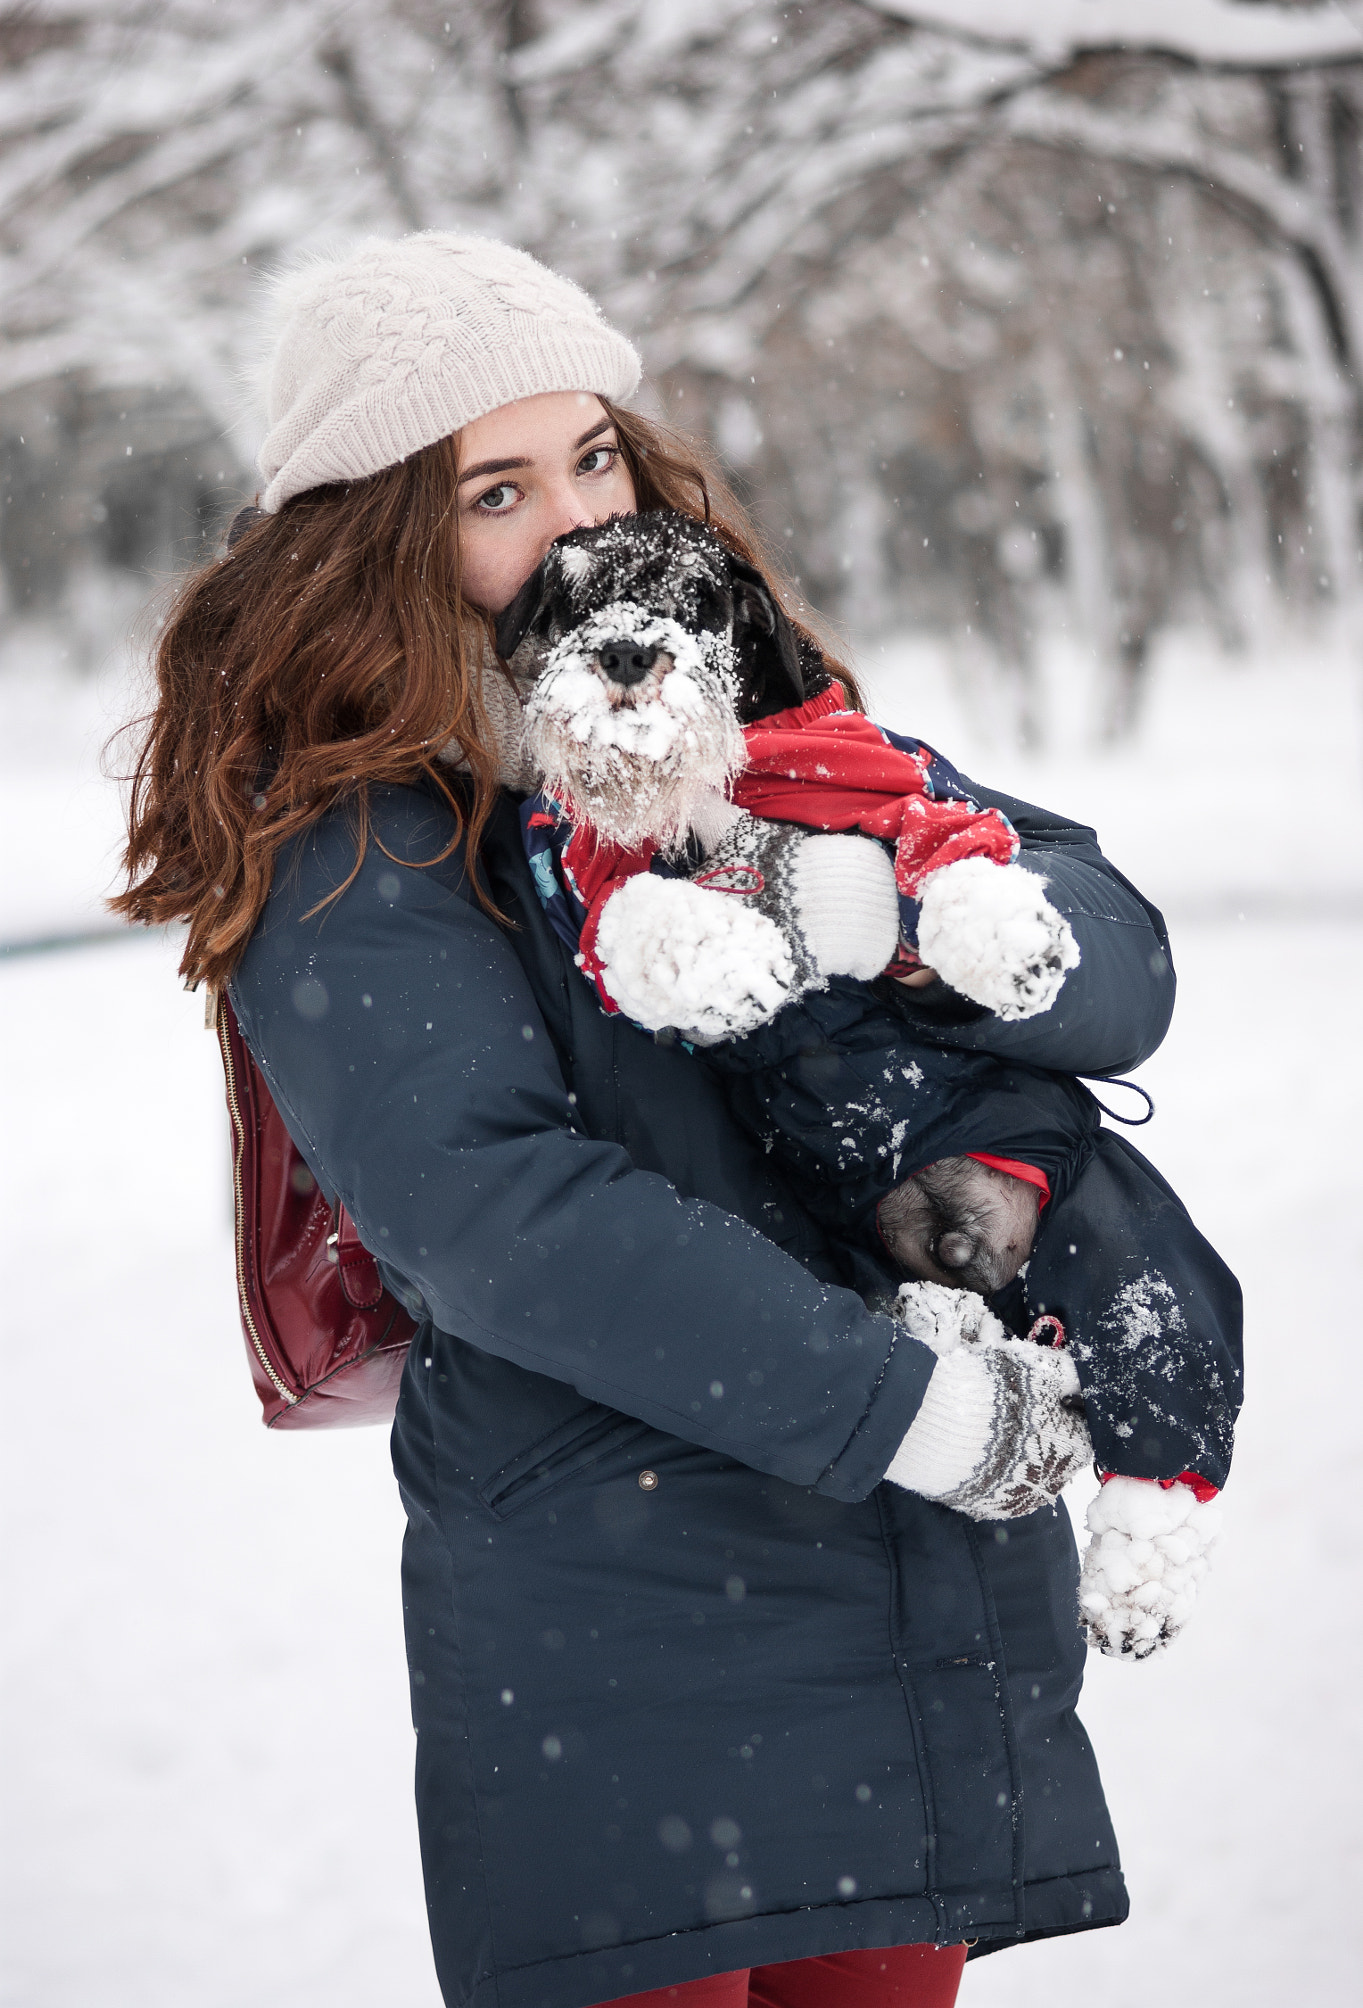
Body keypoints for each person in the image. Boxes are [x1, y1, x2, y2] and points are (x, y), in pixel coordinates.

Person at [116, 233, 1182, 2008]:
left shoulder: (748, 714)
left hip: (897, 1602)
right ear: (379, 533)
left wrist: (912, 915)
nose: (575, 523)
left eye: (593, 455)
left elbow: (1116, 966)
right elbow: (498, 1213)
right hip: (629, 1615)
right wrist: (910, 1411)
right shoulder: (362, 828)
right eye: (497, 488)